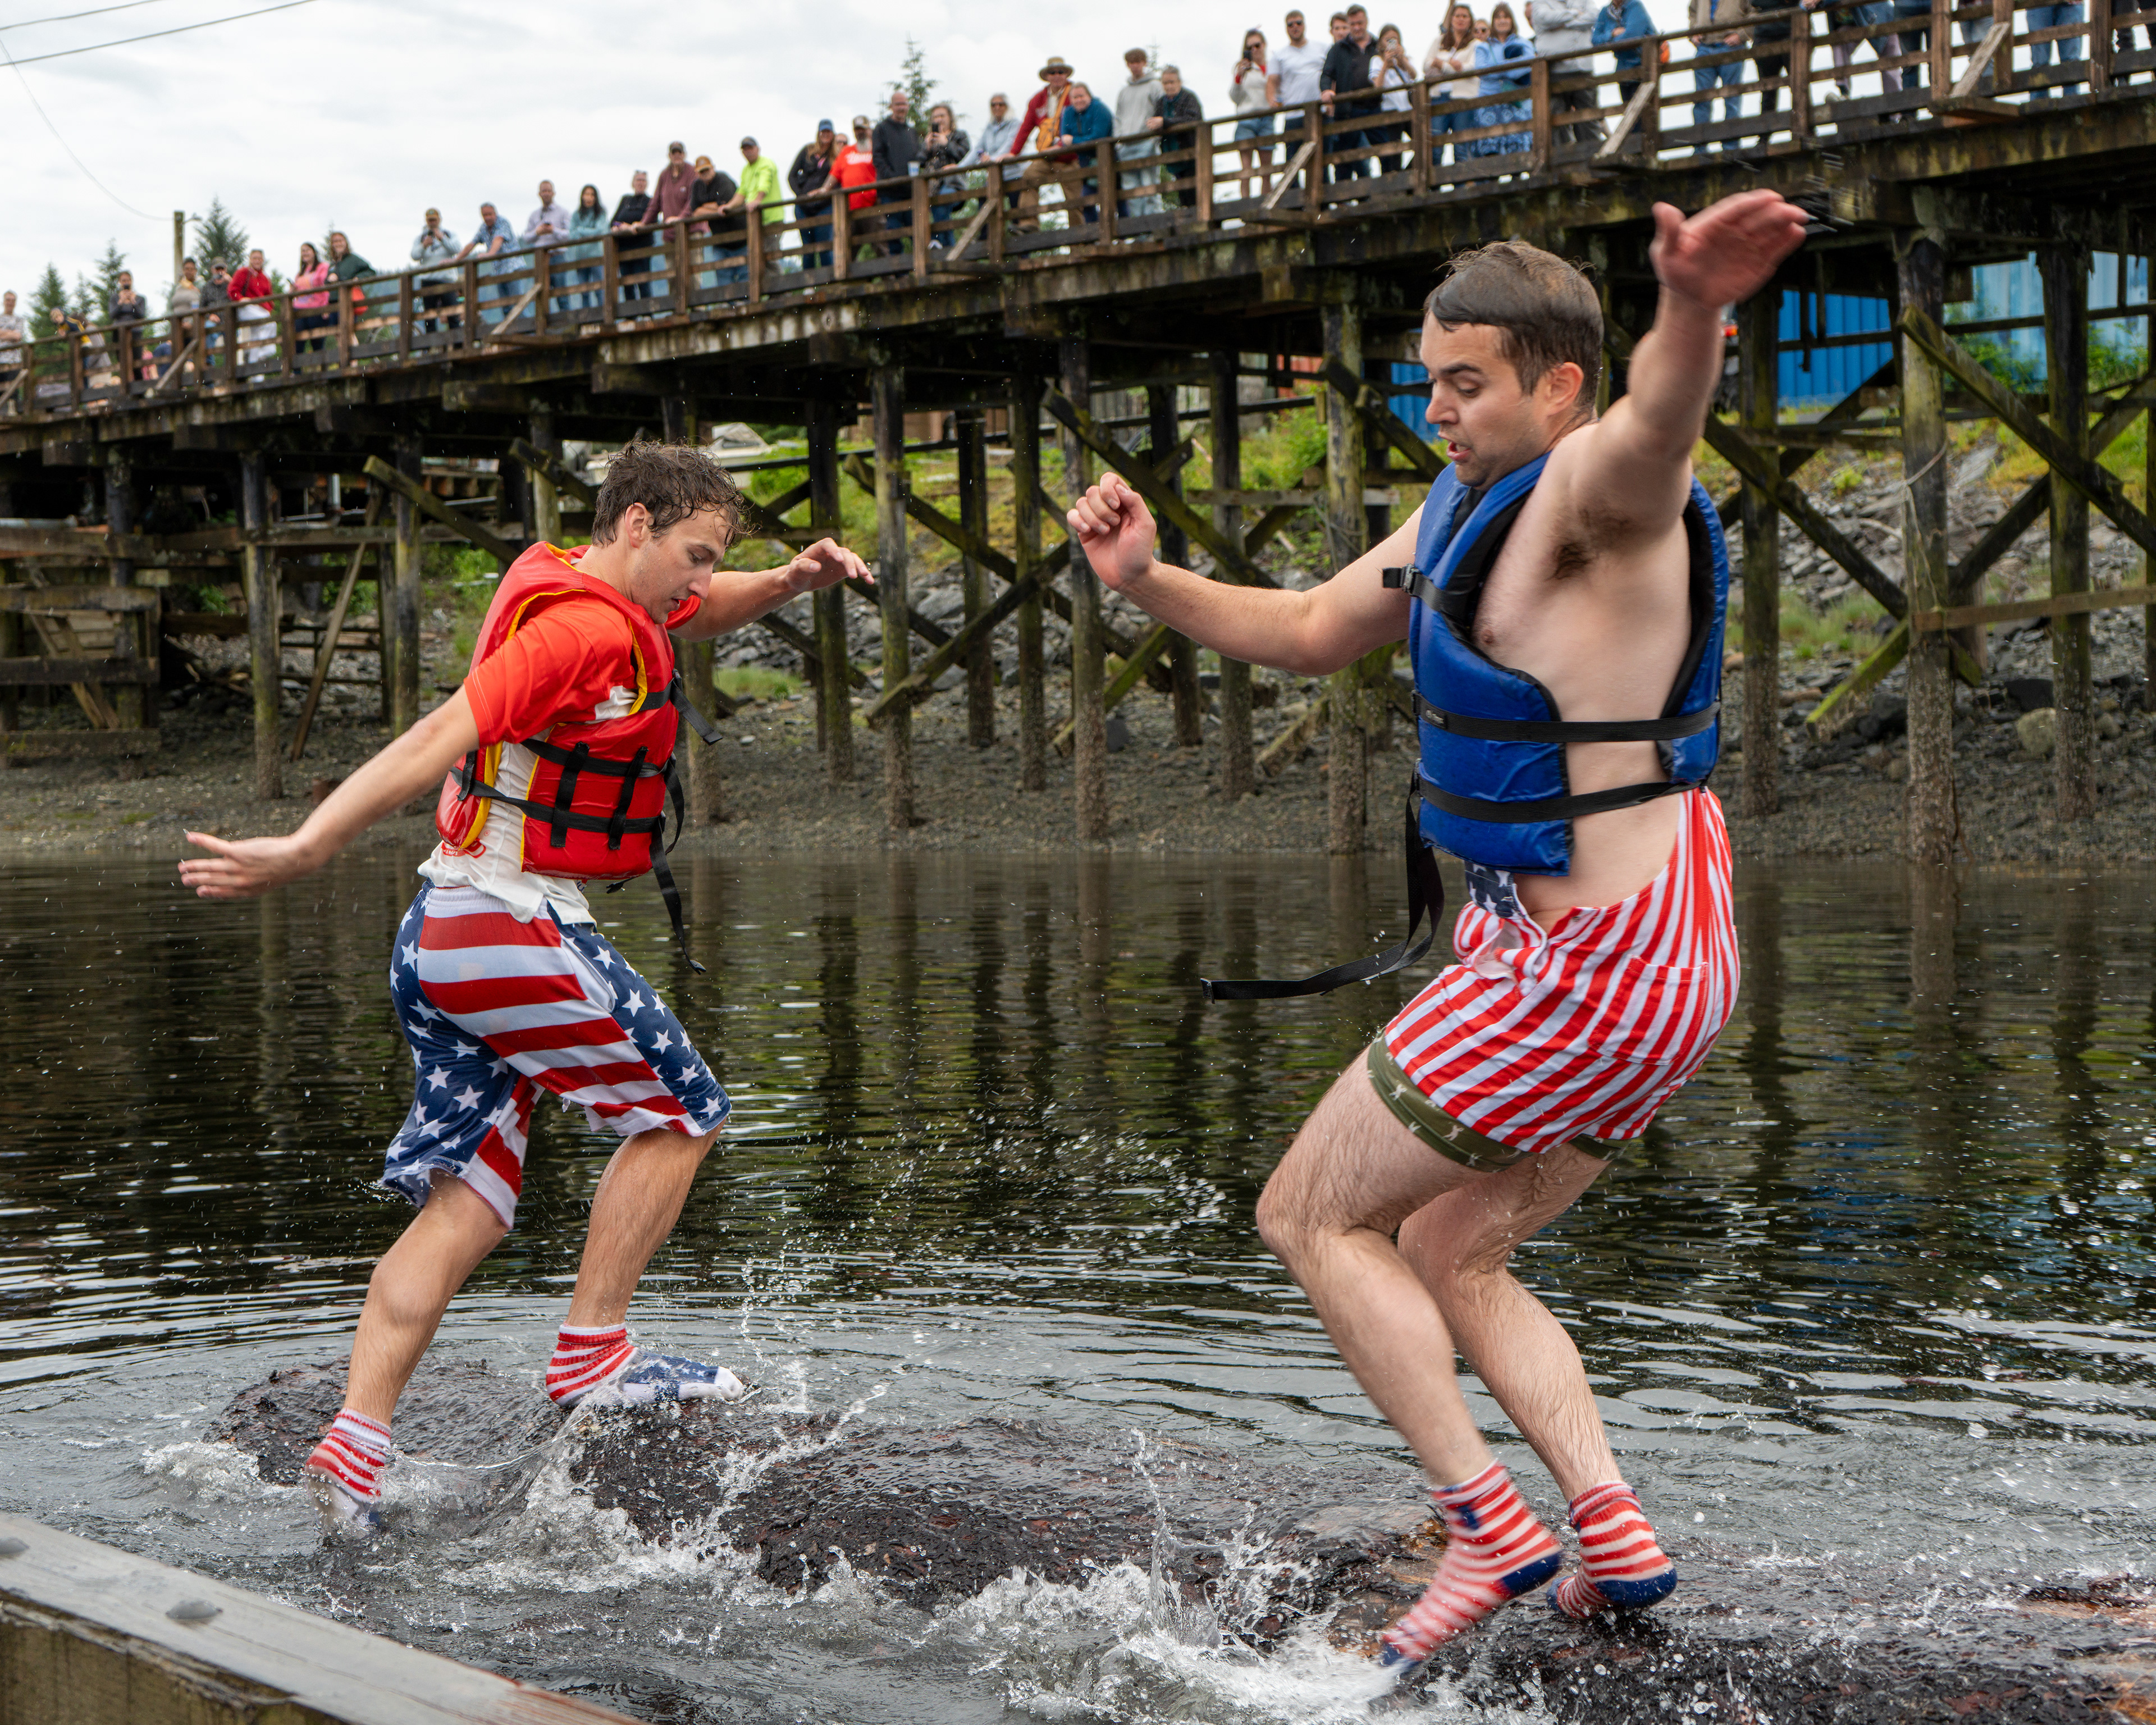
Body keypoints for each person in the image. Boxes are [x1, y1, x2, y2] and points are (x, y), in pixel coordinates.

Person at [1063, 187, 1807, 1683]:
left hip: (1585, 964)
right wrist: (1142, 579)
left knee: (1307, 1216)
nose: (1440, 410)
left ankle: (1483, 1524)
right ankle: (1611, 1526)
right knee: (1455, 1245)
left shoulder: (1605, 496)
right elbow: (1305, 626)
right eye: (1429, 381)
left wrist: (1693, 306)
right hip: (1658, 959)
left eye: (1467, 383)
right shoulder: (1463, 516)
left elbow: (1661, 426)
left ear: (1557, 382)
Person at [178, 441, 874, 1537]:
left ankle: (354, 1446)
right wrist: (308, 845)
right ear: (636, 524)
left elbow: (694, 610)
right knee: (683, 1113)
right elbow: (440, 731)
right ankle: (592, 1354)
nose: (699, 584)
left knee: (471, 1204)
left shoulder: (572, 577)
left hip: (437, 933)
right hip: (506, 921)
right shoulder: (580, 631)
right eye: (692, 555)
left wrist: (787, 584)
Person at [1524, 0, 1606, 144]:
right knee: (1557, 121)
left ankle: (1593, 160)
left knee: (1589, 119)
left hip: (1583, 68)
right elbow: (1544, 18)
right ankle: (1563, 162)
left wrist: (1563, 24)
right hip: (1555, 71)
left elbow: (1595, 16)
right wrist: (1576, 15)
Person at [1320, 4, 1383, 181]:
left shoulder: (1378, 45)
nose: (1357, 28)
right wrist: (1326, 90)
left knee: (1386, 150)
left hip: (1375, 106)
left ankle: (1391, 192)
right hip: (1348, 109)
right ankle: (1342, 201)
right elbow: (1327, 74)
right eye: (1353, 24)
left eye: (1360, 23)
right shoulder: (1339, 49)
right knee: (1343, 157)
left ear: (1367, 22)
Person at [1014, 55, 1076, 231]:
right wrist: (1013, 153)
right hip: (1046, 155)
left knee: (1075, 198)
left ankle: (1081, 240)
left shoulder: (1075, 93)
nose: (1057, 75)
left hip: (1069, 156)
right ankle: (1029, 223)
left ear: (1066, 75)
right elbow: (1025, 128)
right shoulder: (1038, 99)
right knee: (1029, 177)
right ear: (1047, 76)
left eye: (1061, 72)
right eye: (1053, 72)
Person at [1467, 4, 1534, 157]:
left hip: (1517, 103)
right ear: (1493, 22)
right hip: (1489, 104)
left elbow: (1530, 64)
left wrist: (1499, 69)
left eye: (1506, 17)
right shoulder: (1483, 47)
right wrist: (1512, 68)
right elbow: (1482, 71)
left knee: (1519, 152)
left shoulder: (1523, 43)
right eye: (1498, 17)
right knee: (1490, 153)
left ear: (1512, 20)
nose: (1502, 21)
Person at [1802, 0, 1901, 103]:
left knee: (1890, 62)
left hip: (1879, 16)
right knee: (1840, 41)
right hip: (1851, 21)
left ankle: (1894, 109)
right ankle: (1844, 95)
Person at [1425, 4, 1481, 163]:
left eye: (1465, 16)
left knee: (1461, 149)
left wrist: (1441, 64)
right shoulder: (1440, 40)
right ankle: (1433, 188)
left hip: (1463, 99)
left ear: (1471, 21)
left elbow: (1470, 69)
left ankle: (1461, 187)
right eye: (1457, 16)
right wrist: (1453, 66)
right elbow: (1426, 64)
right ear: (1451, 19)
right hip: (1438, 97)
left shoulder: (1476, 44)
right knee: (1434, 150)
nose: (1461, 19)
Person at [1689, 0, 1749, 149]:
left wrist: (1742, 35)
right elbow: (1692, 11)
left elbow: (1754, 10)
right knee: (1701, 100)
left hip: (1731, 47)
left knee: (1732, 99)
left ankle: (1731, 148)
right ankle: (1700, 149)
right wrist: (1693, 32)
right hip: (1705, 47)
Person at [1056, 80, 1116, 227]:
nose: (1078, 100)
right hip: (1084, 163)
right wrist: (1075, 141)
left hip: (1106, 160)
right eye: (1075, 98)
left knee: (1114, 198)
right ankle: (1095, 234)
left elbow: (1098, 137)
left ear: (1089, 96)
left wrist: (1074, 140)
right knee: (1087, 201)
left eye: (1081, 96)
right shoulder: (1069, 112)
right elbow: (1064, 137)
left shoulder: (1099, 109)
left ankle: (1123, 235)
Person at [871, 90, 925, 255]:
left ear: (908, 106)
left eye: (904, 104)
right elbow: (878, 158)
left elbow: (918, 158)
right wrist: (892, 178)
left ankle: (919, 269)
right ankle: (898, 273)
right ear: (891, 106)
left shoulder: (912, 132)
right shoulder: (881, 129)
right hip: (890, 190)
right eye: (898, 104)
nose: (901, 108)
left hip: (910, 190)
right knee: (893, 231)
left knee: (916, 231)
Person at [1115, 48, 1165, 220]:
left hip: (1146, 142)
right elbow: (1118, 118)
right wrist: (1119, 142)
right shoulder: (1124, 92)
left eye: (1138, 62)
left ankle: (1155, 225)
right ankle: (1138, 231)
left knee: (1150, 186)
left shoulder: (1155, 85)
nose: (1135, 66)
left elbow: (1162, 110)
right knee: (1132, 192)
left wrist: (1155, 137)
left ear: (1144, 63)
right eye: (1131, 63)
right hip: (1126, 145)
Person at [1145, 68, 1205, 211]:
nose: (1169, 86)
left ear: (1179, 82)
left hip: (1191, 155)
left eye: (1172, 82)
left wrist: (1165, 122)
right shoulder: (1161, 102)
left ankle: (1198, 222)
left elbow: (1193, 118)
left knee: (1195, 194)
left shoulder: (1189, 98)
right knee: (1183, 195)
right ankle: (1189, 223)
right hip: (1173, 156)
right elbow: (1159, 120)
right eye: (1165, 83)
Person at [1271, 7, 1330, 145]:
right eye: (1290, 24)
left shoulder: (1322, 48)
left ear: (1305, 25)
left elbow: (1331, 75)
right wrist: (1272, 100)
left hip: (1319, 110)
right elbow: (1272, 81)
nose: (1295, 27)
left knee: (1323, 160)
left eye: (1298, 23)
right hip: (1293, 114)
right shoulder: (1279, 55)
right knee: (1293, 161)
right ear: (1286, 28)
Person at [455, 203, 517, 325]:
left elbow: (498, 239)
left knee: (517, 304)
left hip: (513, 268)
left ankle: (526, 333)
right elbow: (472, 244)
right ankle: (511, 333)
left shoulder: (502, 223)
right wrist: (456, 260)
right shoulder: (484, 228)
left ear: (495, 214)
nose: (487, 217)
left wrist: (490, 254)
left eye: (490, 214)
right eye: (485, 215)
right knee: (505, 306)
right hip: (499, 271)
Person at [1231, 30, 1276, 200]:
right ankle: (1245, 204)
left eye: (1257, 45)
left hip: (1267, 118)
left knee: (1267, 170)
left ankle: (1266, 203)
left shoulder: (1273, 67)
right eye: (1250, 47)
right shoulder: (1242, 69)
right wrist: (1239, 77)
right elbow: (1234, 97)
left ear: (1264, 45)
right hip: (1246, 119)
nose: (1254, 50)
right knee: (1246, 169)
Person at [919, 107, 971, 250]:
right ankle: (950, 250)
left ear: (950, 118)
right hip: (932, 187)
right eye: (936, 117)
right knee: (940, 210)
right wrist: (927, 147)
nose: (939, 119)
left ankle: (938, 242)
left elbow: (966, 156)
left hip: (954, 184)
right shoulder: (930, 138)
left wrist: (947, 143)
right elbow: (919, 162)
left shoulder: (959, 135)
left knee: (942, 201)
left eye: (942, 116)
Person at [790, 121, 841, 270]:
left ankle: (828, 283)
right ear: (818, 133)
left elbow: (839, 179)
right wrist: (801, 196)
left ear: (833, 134)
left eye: (828, 132)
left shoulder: (836, 156)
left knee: (824, 245)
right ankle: (809, 285)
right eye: (823, 132)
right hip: (804, 206)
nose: (825, 135)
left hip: (825, 205)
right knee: (808, 248)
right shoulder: (808, 151)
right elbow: (792, 175)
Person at [1370, 23, 1417, 172]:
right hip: (1390, 111)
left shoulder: (1404, 60)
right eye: (1387, 40)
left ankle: (1408, 176)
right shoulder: (1376, 61)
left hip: (1408, 109)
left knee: (1423, 143)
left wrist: (1401, 60)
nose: (1391, 43)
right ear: (1380, 42)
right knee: (1395, 152)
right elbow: (1377, 86)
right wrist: (1385, 65)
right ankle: (1398, 186)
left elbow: (1414, 76)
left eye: (1394, 40)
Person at [1592, 0, 1658, 103]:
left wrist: (1610, 43)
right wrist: (1612, 33)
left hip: (1643, 66)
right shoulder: (1606, 12)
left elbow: (1632, 35)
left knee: (1645, 112)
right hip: (1624, 70)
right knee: (1629, 112)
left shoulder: (1635, 6)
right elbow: (1595, 40)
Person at [691, 154, 739, 287]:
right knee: (723, 276)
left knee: (744, 275)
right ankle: (729, 304)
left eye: (707, 170)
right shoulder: (697, 186)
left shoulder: (723, 179)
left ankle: (745, 304)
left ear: (713, 168)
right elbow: (695, 212)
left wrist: (705, 207)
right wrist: (716, 208)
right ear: (697, 173)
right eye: (702, 171)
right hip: (719, 239)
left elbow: (727, 205)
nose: (705, 173)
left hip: (740, 236)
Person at [411, 209, 462, 332]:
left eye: (434, 220)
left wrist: (443, 239)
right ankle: (431, 346)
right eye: (430, 220)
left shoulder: (449, 234)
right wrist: (424, 246)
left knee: (453, 314)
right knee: (429, 316)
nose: (432, 223)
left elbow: (457, 249)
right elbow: (414, 255)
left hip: (447, 279)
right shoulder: (421, 238)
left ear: (439, 220)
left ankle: (458, 345)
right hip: (428, 280)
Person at [835, 116, 880, 254]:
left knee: (879, 243)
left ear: (869, 130)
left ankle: (891, 276)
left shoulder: (876, 149)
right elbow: (834, 174)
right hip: (850, 207)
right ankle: (847, 276)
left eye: (863, 129)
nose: (860, 132)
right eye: (857, 130)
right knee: (848, 248)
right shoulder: (847, 151)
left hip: (872, 205)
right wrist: (824, 189)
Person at [610, 172, 655, 305]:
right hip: (624, 248)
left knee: (643, 281)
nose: (640, 183)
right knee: (627, 283)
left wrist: (631, 227)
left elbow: (652, 220)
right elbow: (613, 221)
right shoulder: (625, 200)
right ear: (633, 183)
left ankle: (646, 312)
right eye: (638, 180)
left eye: (643, 180)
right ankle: (631, 315)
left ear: (647, 184)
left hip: (642, 247)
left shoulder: (649, 201)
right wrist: (620, 227)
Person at [564, 185, 606, 314]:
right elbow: (571, 234)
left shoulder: (600, 213)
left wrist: (581, 231)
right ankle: (587, 317)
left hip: (596, 255)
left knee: (600, 289)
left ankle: (603, 316)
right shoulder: (577, 215)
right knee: (584, 291)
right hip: (580, 256)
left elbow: (600, 231)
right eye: (587, 194)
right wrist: (589, 233)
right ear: (582, 197)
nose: (589, 198)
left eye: (592, 195)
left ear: (596, 198)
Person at [231, 247, 276, 367]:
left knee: (256, 337)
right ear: (250, 259)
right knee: (270, 322)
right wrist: (240, 299)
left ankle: (256, 374)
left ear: (263, 260)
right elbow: (232, 290)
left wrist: (269, 307)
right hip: (247, 308)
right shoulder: (243, 272)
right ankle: (268, 350)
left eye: (259, 258)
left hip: (261, 309)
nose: (257, 261)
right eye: (254, 258)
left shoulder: (265, 277)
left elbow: (269, 296)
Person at [292, 243, 333, 354]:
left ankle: (321, 369)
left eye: (307, 250)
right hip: (299, 309)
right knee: (298, 341)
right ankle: (297, 371)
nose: (305, 253)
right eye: (303, 251)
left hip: (317, 308)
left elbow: (326, 287)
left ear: (314, 252)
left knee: (318, 342)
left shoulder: (323, 267)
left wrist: (326, 307)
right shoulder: (300, 273)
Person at [0, 290, 25, 403]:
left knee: (13, 391)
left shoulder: (19, 319)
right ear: (4, 302)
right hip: (1, 360)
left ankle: (13, 414)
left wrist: (3, 334)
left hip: (14, 360)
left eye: (13, 301)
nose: (10, 303)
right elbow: (14, 335)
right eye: (8, 300)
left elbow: (18, 336)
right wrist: (11, 334)